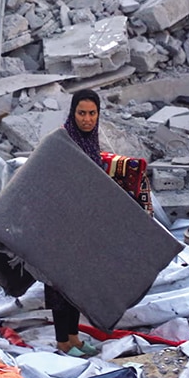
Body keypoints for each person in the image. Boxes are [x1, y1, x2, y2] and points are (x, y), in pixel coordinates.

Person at [47, 89, 106, 357]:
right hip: (59, 227)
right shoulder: (63, 141)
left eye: (92, 113)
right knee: (60, 285)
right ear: (73, 113)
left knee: (76, 286)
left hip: (81, 226)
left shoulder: (90, 142)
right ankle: (62, 341)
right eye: (81, 113)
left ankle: (74, 337)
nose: (87, 119)